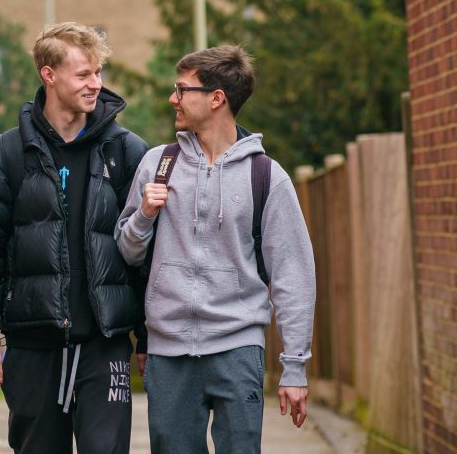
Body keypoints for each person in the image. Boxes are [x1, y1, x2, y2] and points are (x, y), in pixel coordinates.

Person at [0, 22, 148, 454]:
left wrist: (148, 338)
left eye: (98, 73)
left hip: (105, 344)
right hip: (32, 343)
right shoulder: (5, 155)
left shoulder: (125, 152)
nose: (96, 84)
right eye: (83, 75)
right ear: (49, 75)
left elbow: (147, 255)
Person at [115, 45, 316, 454]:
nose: (173, 98)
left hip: (237, 348)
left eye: (182, 89)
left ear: (216, 98)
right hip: (168, 354)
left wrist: (294, 367)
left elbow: (293, 273)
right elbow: (128, 252)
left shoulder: (266, 177)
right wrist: (144, 216)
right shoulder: (158, 164)